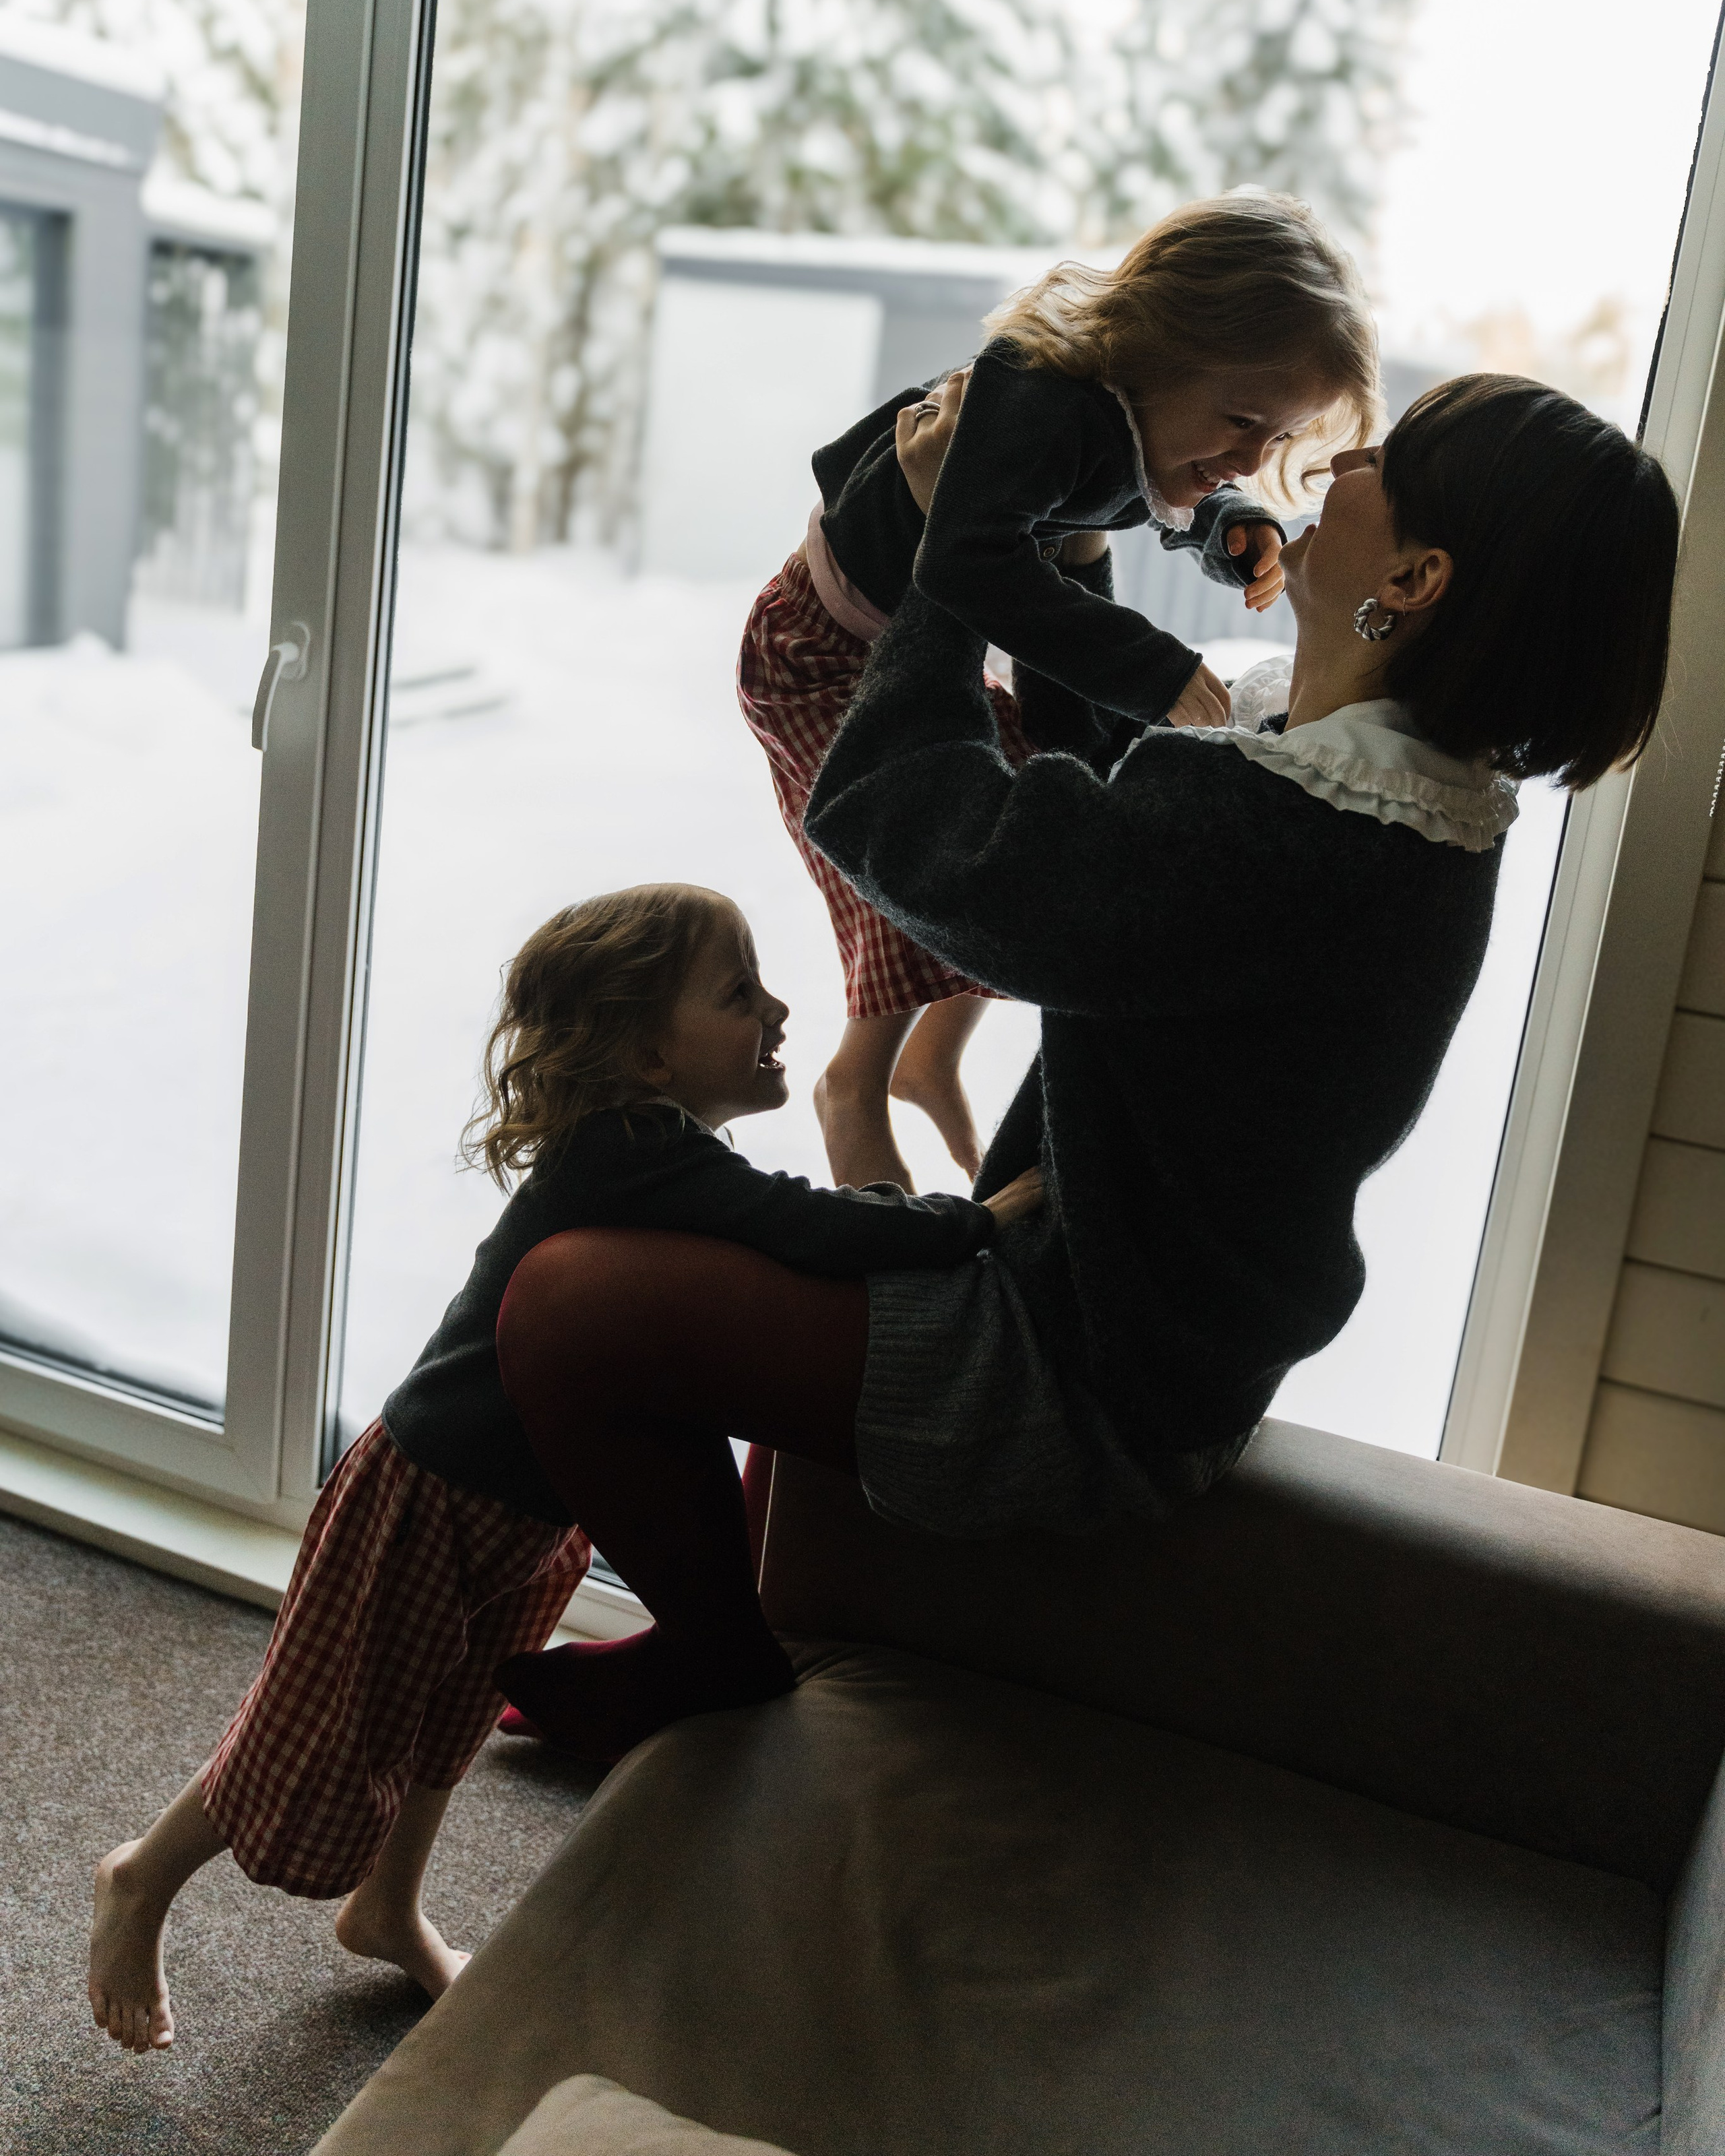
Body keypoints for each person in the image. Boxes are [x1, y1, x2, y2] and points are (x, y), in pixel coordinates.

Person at [489, 373, 1680, 1772]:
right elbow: (1111, 800)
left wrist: (957, 559)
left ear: (1412, 575)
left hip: (1085, 1368)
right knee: (759, 1264)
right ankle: (722, 1616)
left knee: (563, 1308)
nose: (1343, 462)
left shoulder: (1297, 833)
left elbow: (921, 836)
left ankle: (712, 1646)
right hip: (1143, 1313)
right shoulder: (1391, 803)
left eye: (1385, 460)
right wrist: (1059, 543)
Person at [87, 883, 1039, 2056]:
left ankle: (386, 1907)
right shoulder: (634, 1151)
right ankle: (144, 1874)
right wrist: (978, 1222)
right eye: (740, 994)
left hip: (522, 1511)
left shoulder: (659, 1144)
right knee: (323, 1722)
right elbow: (811, 1227)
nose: (780, 1010)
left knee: (446, 1714)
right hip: (433, 1493)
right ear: (645, 1055)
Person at [737, 192, 1379, 1193]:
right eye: (1244, 422)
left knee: (1051, 802)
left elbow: (1149, 498)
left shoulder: (1136, 412)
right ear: (1156, 346)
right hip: (817, 648)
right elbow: (971, 563)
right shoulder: (1036, 392)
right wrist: (1156, 669)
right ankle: (856, 1087)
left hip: (912, 640)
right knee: (919, 874)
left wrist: (1230, 525)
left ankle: (928, 1059)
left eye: (1275, 436)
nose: (1249, 457)